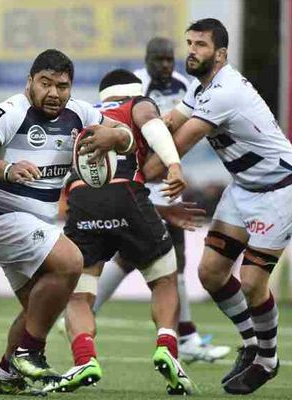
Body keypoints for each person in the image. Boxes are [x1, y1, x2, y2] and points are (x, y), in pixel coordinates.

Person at [0, 49, 135, 395]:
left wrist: (117, 137)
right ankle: (29, 353)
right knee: (71, 261)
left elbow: (125, 138)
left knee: (39, 306)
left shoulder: (81, 114)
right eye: (45, 84)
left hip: (35, 224)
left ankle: (8, 374)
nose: (54, 93)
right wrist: (6, 169)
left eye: (62, 86)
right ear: (30, 83)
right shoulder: (11, 111)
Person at [144, 18, 292, 395]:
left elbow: (175, 147)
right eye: (189, 42)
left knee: (253, 282)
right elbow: (165, 122)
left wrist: (129, 173)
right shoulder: (200, 87)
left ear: (220, 54)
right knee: (211, 273)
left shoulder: (224, 92)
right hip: (244, 187)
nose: (191, 50)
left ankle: (268, 360)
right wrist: (128, 132)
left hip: (278, 190)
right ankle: (250, 343)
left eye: (201, 45)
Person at [50, 69, 192, 395]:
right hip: (127, 194)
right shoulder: (137, 105)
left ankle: (84, 357)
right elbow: (152, 125)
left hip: (82, 200)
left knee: (79, 293)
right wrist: (173, 164)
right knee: (165, 277)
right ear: (136, 91)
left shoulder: (84, 117)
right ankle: (167, 348)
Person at [94, 37, 231, 364]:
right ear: (148, 59)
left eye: (170, 59)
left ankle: (80, 310)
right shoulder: (134, 85)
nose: (166, 65)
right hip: (140, 178)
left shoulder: (186, 84)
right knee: (169, 258)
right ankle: (186, 337)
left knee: (132, 257)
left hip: (167, 178)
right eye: (160, 60)